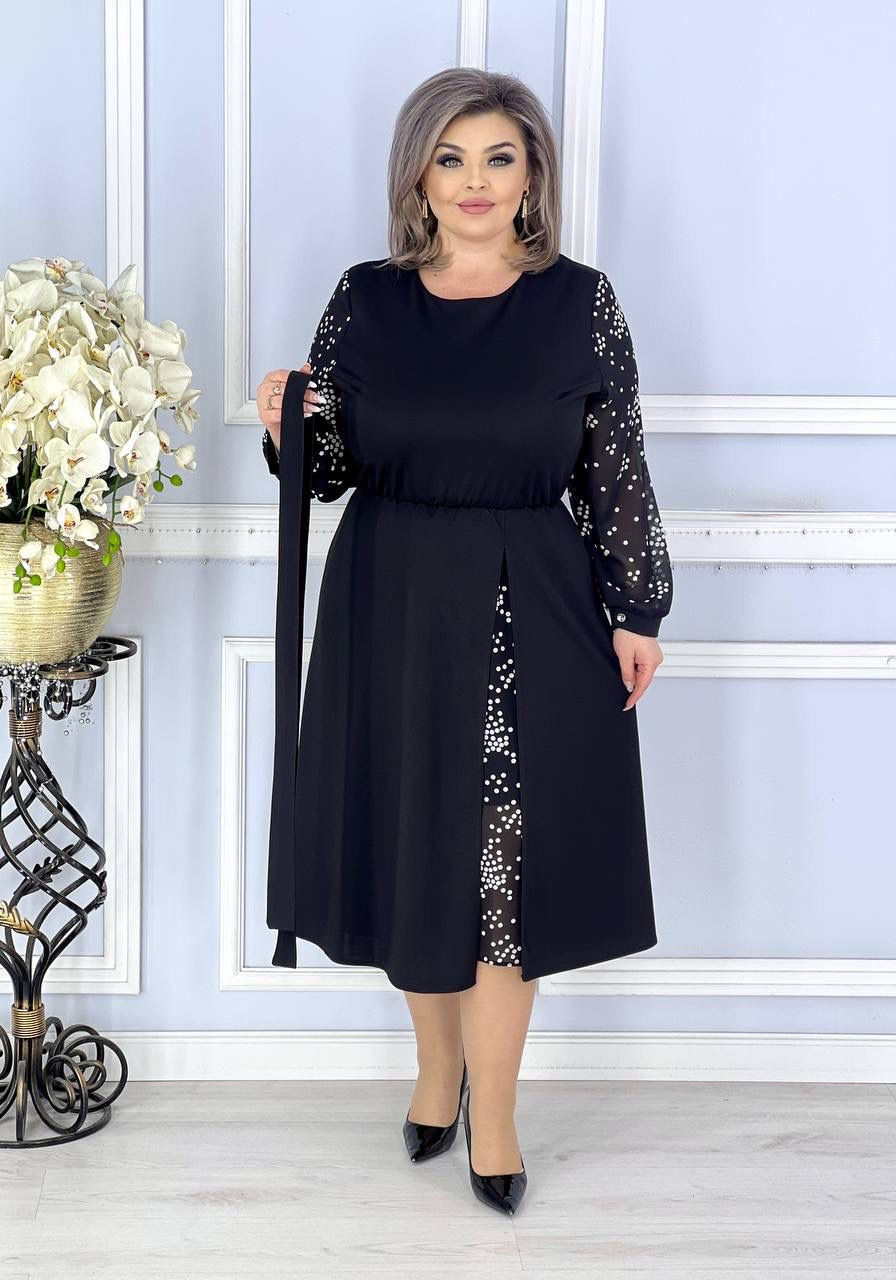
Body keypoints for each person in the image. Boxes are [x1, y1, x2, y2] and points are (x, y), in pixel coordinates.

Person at [257, 67, 673, 1216]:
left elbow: (616, 464)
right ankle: (435, 1071)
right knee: (413, 850)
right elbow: (328, 468)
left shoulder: (580, 301)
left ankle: (496, 1113)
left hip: (531, 606)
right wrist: (285, 422)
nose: (475, 181)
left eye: (499, 157)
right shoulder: (365, 300)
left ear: (532, 174)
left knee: (505, 873)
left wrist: (636, 606)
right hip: (390, 600)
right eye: (451, 158)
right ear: (418, 177)